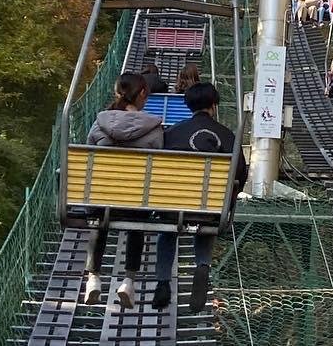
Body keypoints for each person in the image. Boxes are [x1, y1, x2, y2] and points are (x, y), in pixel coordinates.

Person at [154, 82, 238, 312]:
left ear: (188, 105)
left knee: (167, 230)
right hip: (208, 207)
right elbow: (239, 172)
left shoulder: (172, 132)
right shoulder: (227, 136)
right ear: (214, 105)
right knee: (207, 218)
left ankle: (163, 281)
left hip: (172, 206)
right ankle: (202, 265)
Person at [83, 72, 164, 309]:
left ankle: (93, 278)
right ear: (142, 93)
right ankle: (129, 281)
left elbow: (88, 156)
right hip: (135, 203)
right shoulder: (153, 128)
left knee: (99, 215)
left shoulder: (100, 123)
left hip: (102, 198)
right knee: (139, 213)